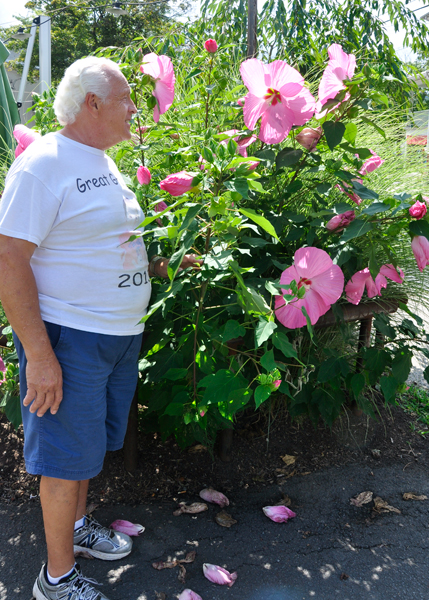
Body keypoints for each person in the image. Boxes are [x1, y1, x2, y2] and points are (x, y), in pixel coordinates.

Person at [0, 56, 198, 600]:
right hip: (70, 339)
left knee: (84, 449)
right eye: (126, 99)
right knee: (64, 459)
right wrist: (40, 357)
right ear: (92, 102)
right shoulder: (44, 163)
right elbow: (8, 259)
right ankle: (55, 580)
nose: (135, 107)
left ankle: (78, 529)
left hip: (116, 337)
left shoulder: (100, 162)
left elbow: (100, 246)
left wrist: (160, 267)